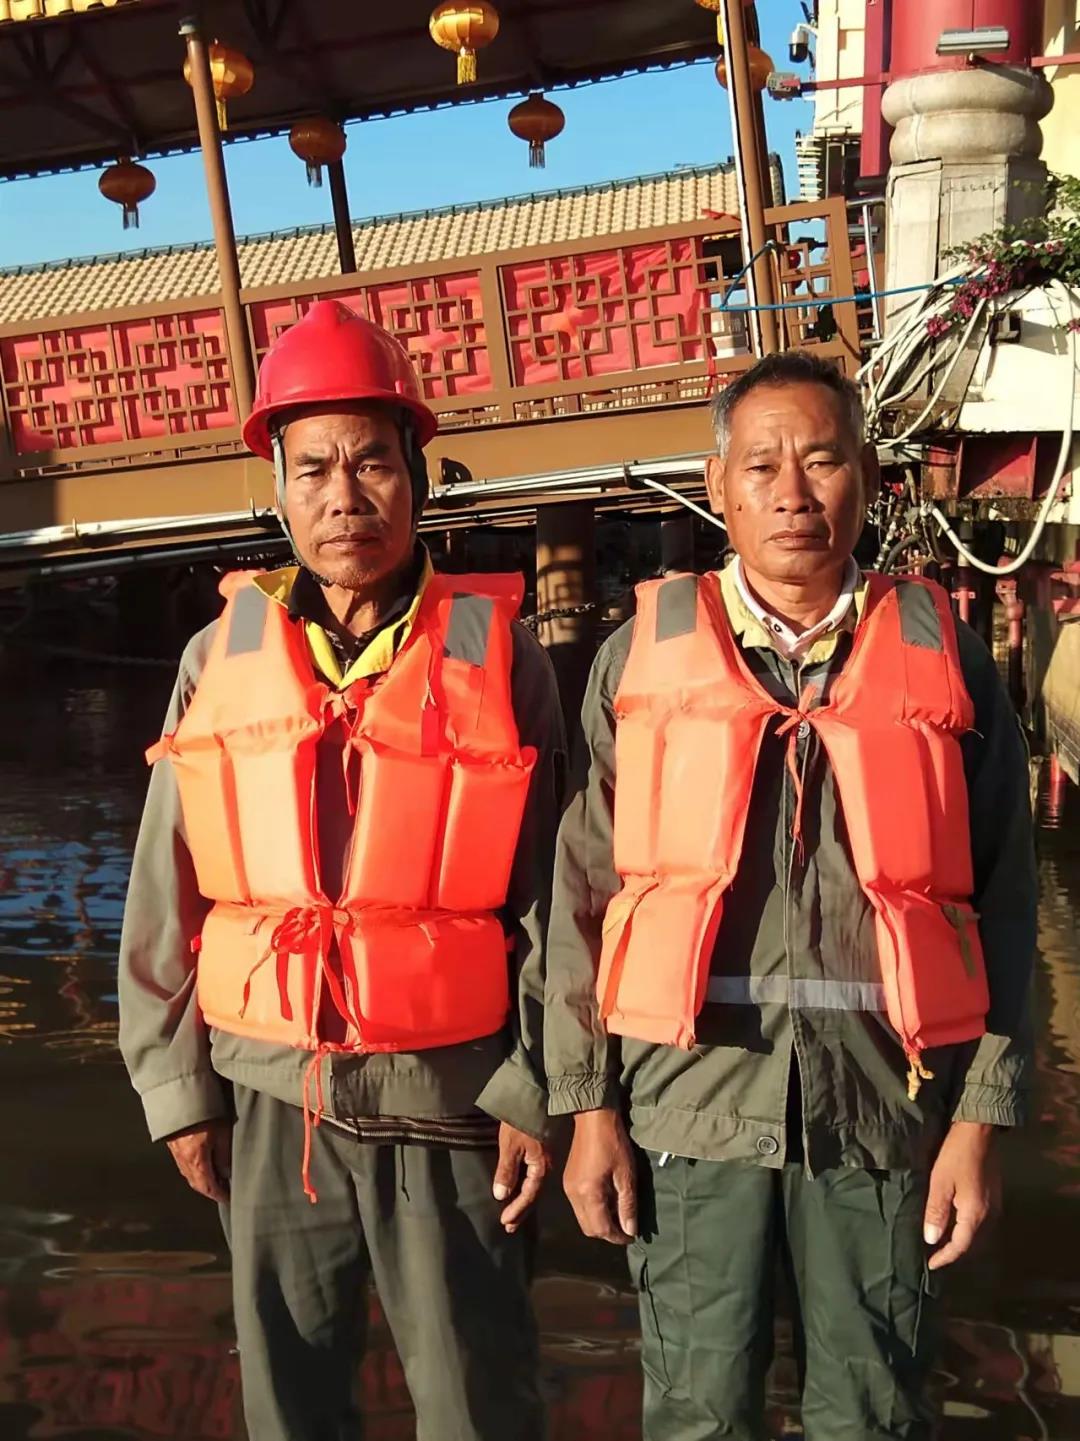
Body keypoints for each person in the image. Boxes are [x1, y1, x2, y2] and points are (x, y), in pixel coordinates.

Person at [545, 350, 1036, 1440]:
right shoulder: (637, 659)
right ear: (718, 485)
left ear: (868, 476)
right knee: (697, 1413)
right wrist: (587, 1108)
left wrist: (979, 1118)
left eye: (822, 459)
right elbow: (582, 898)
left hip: (887, 1111)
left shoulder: (948, 657)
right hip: (687, 1106)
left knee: (874, 1411)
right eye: (762, 464)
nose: (793, 491)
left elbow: (1004, 899)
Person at [118, 300, 564, 1441]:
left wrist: (536, 1089)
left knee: (478, 1405)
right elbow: (166, 888)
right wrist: (179, 1092)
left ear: (416, 477)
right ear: (279, 488)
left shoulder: (500, 654)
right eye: (312, 468)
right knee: (289, 1408)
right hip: (272, 1102)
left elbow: (559, 901)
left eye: (372, 462)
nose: (344, 496)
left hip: (453, 1102)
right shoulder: (218, 655)